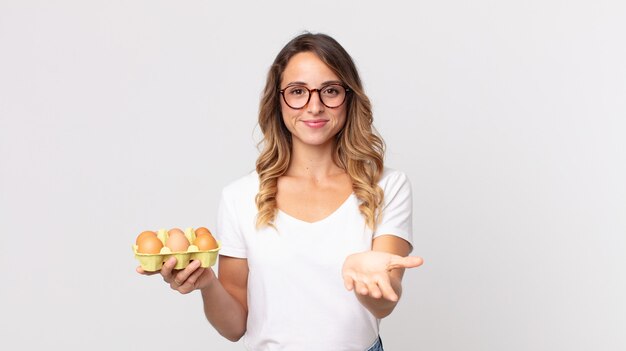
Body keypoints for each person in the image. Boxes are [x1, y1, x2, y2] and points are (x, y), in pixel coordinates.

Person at [137, 32, 423, 351]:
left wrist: (366, 285)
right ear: (279, 100)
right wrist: (206, 283)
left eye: (330, 91)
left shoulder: (386, 187)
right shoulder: (240, 197)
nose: (314, 106)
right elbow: (234, 328)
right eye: (298, 91)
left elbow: (384, 306)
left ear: (349, 97)